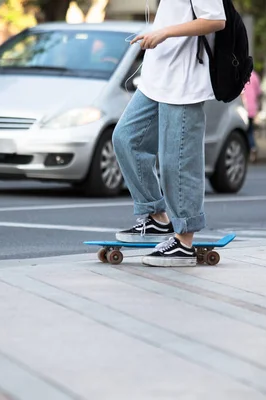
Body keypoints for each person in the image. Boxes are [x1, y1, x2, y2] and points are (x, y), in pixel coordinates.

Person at [112, 0, 227, 267]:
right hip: (156, 78)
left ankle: (184, 241)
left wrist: (164, 32)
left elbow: (215, 20)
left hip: (184, 81)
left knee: (177, 161)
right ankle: (155, 217)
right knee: (127, 139)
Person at [242, 70, 261, 162]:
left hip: (241, 108)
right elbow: (258, 92)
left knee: (245, 131)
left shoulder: (239, 72)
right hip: (252, 108)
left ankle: (250, 148)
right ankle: (253, 148)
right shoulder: (254, 76)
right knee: (250, 130)